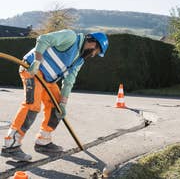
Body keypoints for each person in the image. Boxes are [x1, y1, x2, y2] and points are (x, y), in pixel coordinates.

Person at [0, 29, 109, 161]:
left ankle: (43, 142)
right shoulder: (70, 37)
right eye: (96, 51)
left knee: (56, 108)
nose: (93, 55)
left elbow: (69, 81)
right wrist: (37, 61)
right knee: (32, 106)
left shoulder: (79, 60)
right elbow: (43, 39)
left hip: (48, 80)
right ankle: (10, 145)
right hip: (32, 70)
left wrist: (63, 104)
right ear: (93, 42)